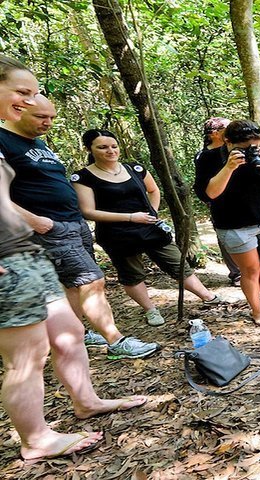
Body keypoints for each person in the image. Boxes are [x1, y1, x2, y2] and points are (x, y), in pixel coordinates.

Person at [0, 55, 145, 462]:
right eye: (22, 92)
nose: (30, 102)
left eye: (34, 93)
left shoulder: (33, 143)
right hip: (9, 256)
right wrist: (38, 222)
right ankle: (35, 439)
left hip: (27, 253)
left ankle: (86, 401)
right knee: (27, 355)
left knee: (69, 333)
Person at [0, 95, 159, 357]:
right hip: (49, 228)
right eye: (41, 117)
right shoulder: (4, 141)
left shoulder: (36, 143)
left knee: (74, 285)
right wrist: (35, 221)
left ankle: (79, 333)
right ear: (17, 110)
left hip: (73, 224)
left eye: (51, 117)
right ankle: (116, 342)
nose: (47, 123)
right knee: (92, 280)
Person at [72, 129, 223, 326]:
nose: (110, 151)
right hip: (116, 234)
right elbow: (88, 211)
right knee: (132, 273)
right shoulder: (82, 177)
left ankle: (207, 296)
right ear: (89, 149)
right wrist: (131, 218)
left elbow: (153, 190)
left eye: (114, 146)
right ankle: (150, 310)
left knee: (177, 263)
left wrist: (153, 212)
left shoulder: (134, 169)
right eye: (102, 147)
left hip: (150, 227)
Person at [194, 120, 260, 327]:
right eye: (244, 148)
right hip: (234, 224)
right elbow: (208, 194)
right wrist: (229, 168)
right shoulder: (209, 158)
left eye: (254, 146)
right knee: (251, 270)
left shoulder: (258, 153)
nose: (249, 151)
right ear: (227, 141)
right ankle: (257, 311)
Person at [196, 117, 242, 287]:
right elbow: (204, 186)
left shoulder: (234, 148)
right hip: (220, 203)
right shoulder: (203, 156)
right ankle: (236, 273)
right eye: (226, 128)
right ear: (215, 133)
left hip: (242, 200)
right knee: (227, 237)